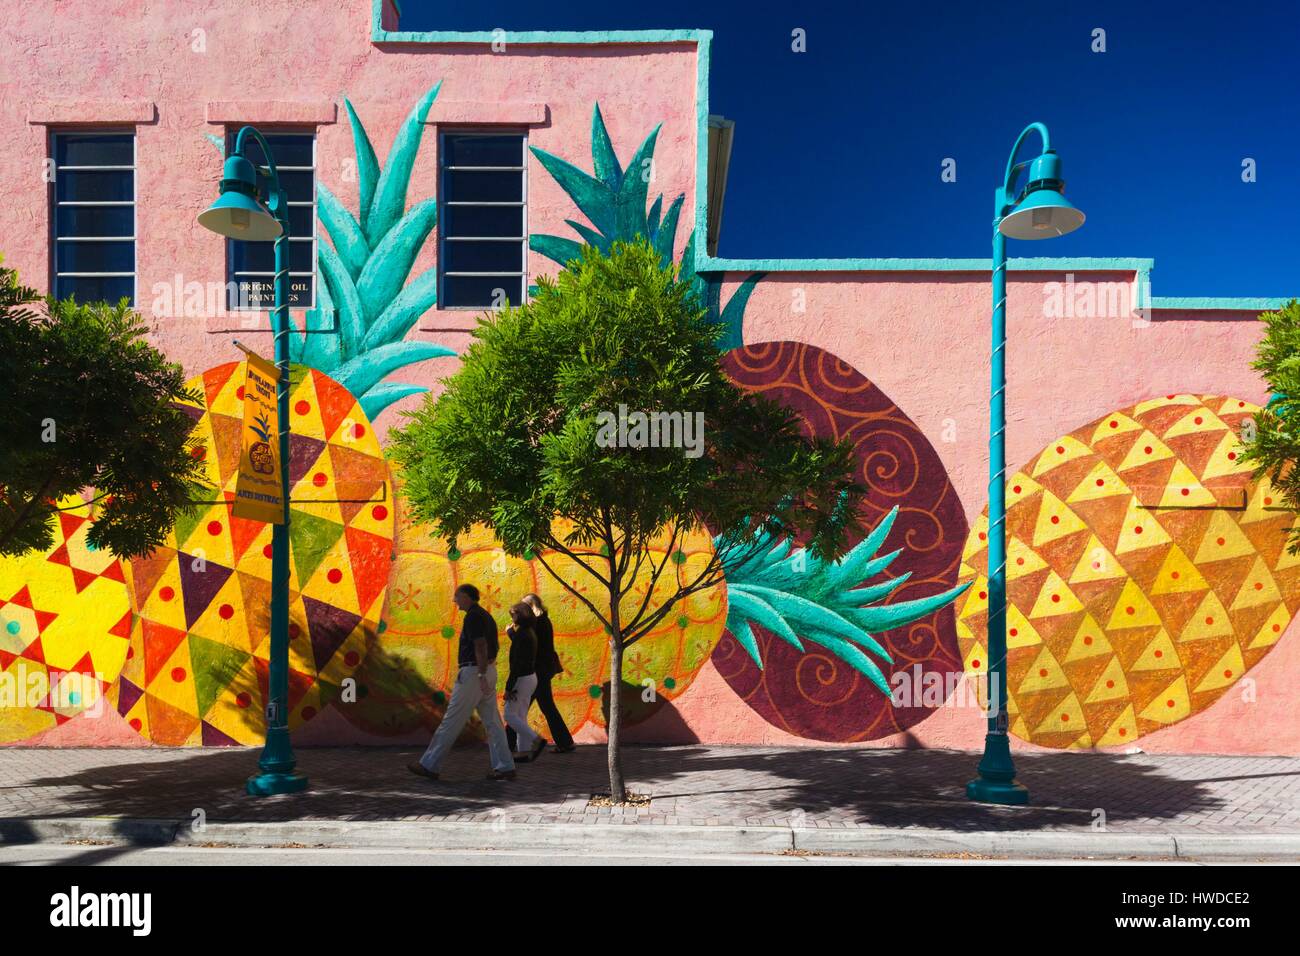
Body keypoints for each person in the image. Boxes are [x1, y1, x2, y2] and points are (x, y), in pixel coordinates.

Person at [408, 583, 515, 781]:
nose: (454, 600)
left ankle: (429, 765)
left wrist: (481, 674)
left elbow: (480, 645)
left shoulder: (473, 616)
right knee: (493, 723)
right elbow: (493, 646)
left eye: (457, 596)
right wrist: (486, 672)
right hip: (485, 671)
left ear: (466, 596)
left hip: (474, 673)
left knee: (452, 720)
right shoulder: (485, 615)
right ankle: (505, 766)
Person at [522, 592, 576, 753]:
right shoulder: (544, 621)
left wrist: (513, 633)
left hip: (537, 671)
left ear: (531, 607)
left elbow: (530, 644)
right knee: (545, 707)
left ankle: (508, 744)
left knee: (518, 709)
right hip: (542, 670)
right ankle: (565, 742)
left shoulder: (537, 623)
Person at [502, 603, 547, 763]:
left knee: (508, 714)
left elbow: (516, 664)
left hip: (521, 679)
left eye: (513, 615)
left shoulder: (522, 634)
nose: (512, 619)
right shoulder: (528, 632)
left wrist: (508, 688)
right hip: (530, 678)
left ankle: (536, 740)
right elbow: (521, 647)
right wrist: (510, 633)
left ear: (521, 616)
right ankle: (524, 751)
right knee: (520, 715)